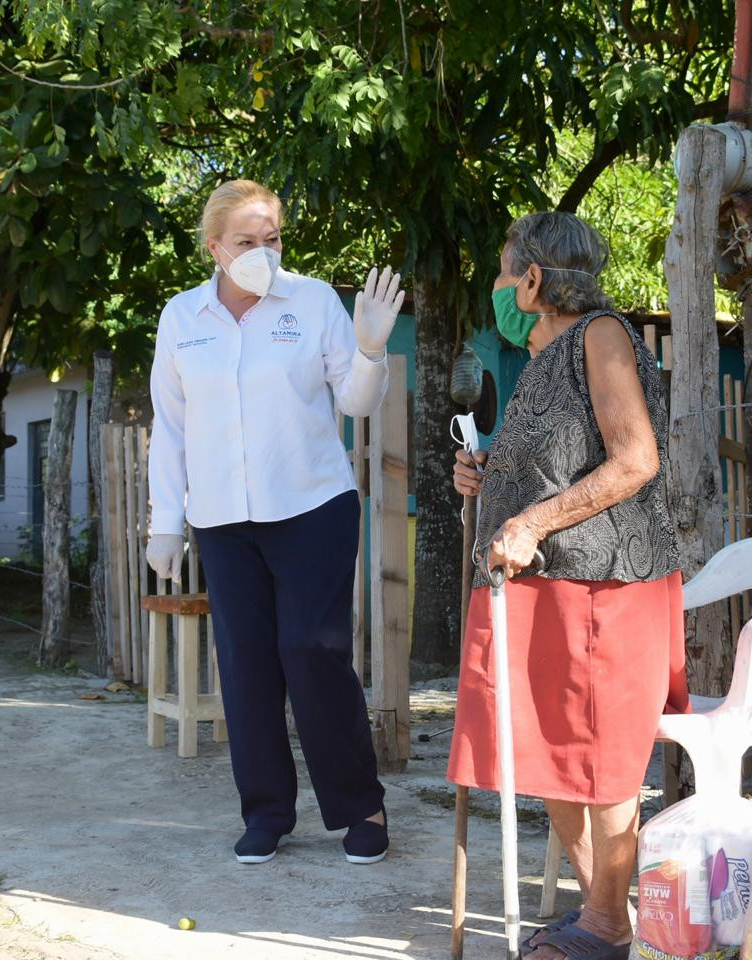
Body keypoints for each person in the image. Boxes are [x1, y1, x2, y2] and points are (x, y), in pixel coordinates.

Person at [448, 211, 688, 959]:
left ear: (531, 279)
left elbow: (635, 460)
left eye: (501, 269)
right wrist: (484, 484)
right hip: (549, 590)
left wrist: (529, 524)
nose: (495, 286)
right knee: (551, 754)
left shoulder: (602, 335)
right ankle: (605, 919)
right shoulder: (542, 359)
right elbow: (559, 467)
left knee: (604, 765)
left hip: (603, 590)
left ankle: (608, 925)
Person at [146, 179, 404, 865]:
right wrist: (164, 522)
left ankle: (360, 806)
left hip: (312, 508)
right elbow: (170, 428)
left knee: (312, 653)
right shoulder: (182, 317)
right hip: (223, 520)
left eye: (273, 239)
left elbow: (355, 401)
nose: (263, 251)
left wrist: (371, 351)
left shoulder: (313, 301)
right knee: (246, 665)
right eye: (246, 241)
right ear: (213, 248)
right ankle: (266, 811)